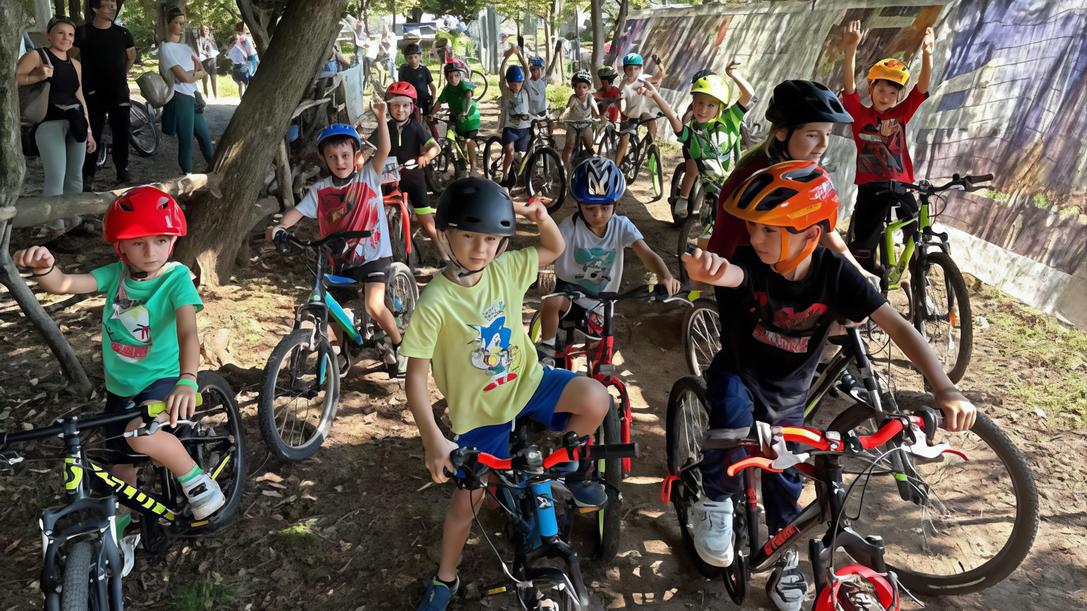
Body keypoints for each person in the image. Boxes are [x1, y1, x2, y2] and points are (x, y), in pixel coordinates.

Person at [682, 161, 977, 611]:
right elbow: (733, 275)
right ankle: (716, 501)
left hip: (788, 394)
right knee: (732, 421)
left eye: (769, 230)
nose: (754, 239)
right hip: (740, 373)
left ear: (810, 235)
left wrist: (943, 386)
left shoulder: (836, 274)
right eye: (753, 228)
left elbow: (897, 324)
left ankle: (785, 561)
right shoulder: (749, 261)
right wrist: (712, 270)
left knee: (786, 477)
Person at [403, 179, 611, 610]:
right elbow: (415, 377)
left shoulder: (506, 268)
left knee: (596, 399)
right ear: (445, 234)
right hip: (480, 413)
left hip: (528, 382)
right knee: (468, 502)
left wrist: (542, 218)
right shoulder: (435, 302)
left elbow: (551, 248)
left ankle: (566, 473)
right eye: (470, 236)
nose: (481, 249)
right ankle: (446, 579)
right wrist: (432, 439)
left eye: (493, 239)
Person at [11, 186, 228, 567]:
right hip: (119, 387)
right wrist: (46, 266)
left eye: (161, 240)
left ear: (173, 241)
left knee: (139, 436)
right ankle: (121, 531)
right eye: (138, 243)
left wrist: (188, 379)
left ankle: (196, 480)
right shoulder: (116, 276)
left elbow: (188, 333)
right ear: (120, 248)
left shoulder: (175, 278)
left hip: (163, 380)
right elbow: (63, 284)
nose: (151, 252)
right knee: (118, 465)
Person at [265, 114, 409, 377]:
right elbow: (296, 213)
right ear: (324, 159)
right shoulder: (320, 190)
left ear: (356, 155)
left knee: (374, 305)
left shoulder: (368, 177)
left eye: (345, 155)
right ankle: (343, 354)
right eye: (332, 157)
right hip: (339, 259)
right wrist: (280, 228)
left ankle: (400, 346)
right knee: (334, 310)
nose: (340, 162)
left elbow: (386, 149)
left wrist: (380, 117)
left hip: (373, 254)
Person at [705, 80, 873, 280]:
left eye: (827, 133)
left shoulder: (797, 167)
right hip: (740, 269)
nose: (823, 144)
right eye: (812, 135)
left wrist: (857, 269)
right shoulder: (765, 176)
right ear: (782, 132)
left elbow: (824, 226)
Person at [535, 157, 680, 361]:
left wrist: (664, 275)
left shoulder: (622, 226)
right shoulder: (569, 228)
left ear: (616, 203)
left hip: (602, 305)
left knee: (598, 359)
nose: (598, 215)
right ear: (579, 205)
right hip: (570, 297)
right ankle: (546, 350)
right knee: (552, 303)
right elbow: (549, 250)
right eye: (590, 208)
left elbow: (646, 253)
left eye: (605, 207)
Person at [840, 19, 935, 274]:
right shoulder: (860, 115)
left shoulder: (902, 113)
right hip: (871, 187)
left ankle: (917, 278)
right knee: (863, 250)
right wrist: (851, 49)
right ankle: (871, 280)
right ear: (871, 89)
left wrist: (927, 55)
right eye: (881, 90)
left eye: (892, 93)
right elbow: (849, 89)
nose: (886, 97)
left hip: (902, 185)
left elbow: (921, 88)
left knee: (917, 232)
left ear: (898, 97)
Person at [16, 15, 95, 244]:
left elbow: (79, 95)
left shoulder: (75, 64)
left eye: (70, 34)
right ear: (50, 34)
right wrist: (36, 76)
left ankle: (72, 221)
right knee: (55, 177)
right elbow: (13, 79)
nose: (66, 38)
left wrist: (89, 130)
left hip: (77, 123)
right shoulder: (37, 56)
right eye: (60, 33)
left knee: (75, 177)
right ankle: (54, 228)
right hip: (49, 123)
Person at [654, 64, 754, 221]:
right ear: (694, 102)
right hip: (696, 149)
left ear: (720, 106)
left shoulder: (728, 119)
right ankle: (684, 198)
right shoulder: (693, 119)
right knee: (692, 170)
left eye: (711, 105)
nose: (703, 109)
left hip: (718, 170)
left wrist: (733, 74)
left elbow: (748, 94)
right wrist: (655, 95)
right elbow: (679, 119)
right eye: (699, 102)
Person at [373, 81, 444, 261]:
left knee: (428, 223)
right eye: (396, 105)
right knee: (377, 218)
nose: (401, 110)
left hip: (413, 177)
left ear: (412, 107)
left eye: (406, 105)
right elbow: (368, 148)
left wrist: (426, 157)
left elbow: (435, 147)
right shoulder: (385, 127)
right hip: (388, 179)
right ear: (388, 107)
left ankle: (446, 258)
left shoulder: (415, 127)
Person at [73, 0, 135, 187]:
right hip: (92, 93)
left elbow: (131, 56)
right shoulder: (82, 33)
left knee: (122, 133)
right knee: (93, 132)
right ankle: (88, 175)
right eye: (107, 5)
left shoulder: (123, 33)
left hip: (118, 92)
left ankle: (122, 171)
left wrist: (121, 74)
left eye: (114, 4)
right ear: (95, 9)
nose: (113, 8)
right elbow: (71, 56)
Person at [159, 8, 214, 174]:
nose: (180, 26)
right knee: (186, 140)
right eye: (176, 22)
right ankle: (187, 177)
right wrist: (193, 74)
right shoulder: (165, 48)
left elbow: (203, 71)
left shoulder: (187, 48)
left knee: (205, 138)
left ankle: (216, 173)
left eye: (182, 23)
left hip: (193, 96)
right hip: (179, 96)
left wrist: (192, 74)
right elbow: (184, 77)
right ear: (168, 24)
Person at [614, 52, 665, 167]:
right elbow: (621, 100)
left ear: (640, 69)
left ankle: (649, 146)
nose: (633, 71)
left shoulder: (644, 78)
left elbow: (658, 77)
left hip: (642, 112)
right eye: (630, 69)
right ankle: (615, 167)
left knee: (652, 120)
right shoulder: (623, 84)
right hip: (628, 115)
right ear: (625, 70)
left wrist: (660, 66)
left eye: (636, 68)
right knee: (624, 142)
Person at [430, 59, 480, 175]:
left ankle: (474, 168)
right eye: (450, 76)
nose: (454, 79)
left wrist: (465, 111)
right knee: (454, 138)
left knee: (468, 141)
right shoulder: (447, 89)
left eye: (457, 75)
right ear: (447, 77)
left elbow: (468, 96)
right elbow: (439, 102)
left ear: (461, 75)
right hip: (456, 117)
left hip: (470, 119)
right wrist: (431, 114)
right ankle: (461, 164)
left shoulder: (464, 84)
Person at [497, 49, 531, 185]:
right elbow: (501, 74)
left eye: (519, 83)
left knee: (522, 155)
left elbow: (527, 70)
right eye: (513, 84)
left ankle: (522, 177)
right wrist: (506, 58)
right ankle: (504, 174)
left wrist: (519, 55)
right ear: (508, 83)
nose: (516, 86)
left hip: (524, 129)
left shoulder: (525, 89)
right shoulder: (506, 91)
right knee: (510, 152)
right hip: (510, 128)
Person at [559, 70, 600, 169]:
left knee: (589, 146)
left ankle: (596, 164)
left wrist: (598, 117)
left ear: (588, 88)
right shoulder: (573, 98)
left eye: (584, 87)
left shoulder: (590, 97)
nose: (581, 90)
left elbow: (595, 108)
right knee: (569, 145)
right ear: (574, 88)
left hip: (585, 124)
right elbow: (568, 109)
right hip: (573, 125)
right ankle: (566, 167)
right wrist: (562, 116)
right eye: (578, 87)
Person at [398, 42, 435, 122]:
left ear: (420, 56)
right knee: (416, 120)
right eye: (410, 57)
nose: (413, 60)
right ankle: (418, 132)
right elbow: (401, 86)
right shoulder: (404, 70)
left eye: (415, 57)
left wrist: (433, 97)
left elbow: (432, 85)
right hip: (413, 99)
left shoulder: (424, 70)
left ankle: (433, 134)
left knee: (429, 119)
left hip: (425, 98)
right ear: (406, 58)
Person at [227, 23, 254, 97]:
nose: (238, 32)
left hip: (243, 65)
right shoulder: (237, 41)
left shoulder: (246, 39)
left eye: (240, 30)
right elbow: (229, 53)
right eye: (237, 30)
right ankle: (242, 99)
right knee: (242, 83)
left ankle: (243, 98)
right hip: (239, 65)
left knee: (243, 83)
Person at [525, 54, 550, 132]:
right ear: (531, 70)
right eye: (534, 70)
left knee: (551, 125)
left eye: (540, 69)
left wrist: (556, 54)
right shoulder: (528, 83)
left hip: (543, 114)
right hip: (531, 115)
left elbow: (550, 72)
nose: (537, 72)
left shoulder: (543, 82)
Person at [196, 24, 218, 99]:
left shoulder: (211, 38)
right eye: (203, 30)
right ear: (200, 31)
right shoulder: (198, 39)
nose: (205, 31)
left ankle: (216, 97)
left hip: (213, 60)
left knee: (214, 79)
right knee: (205, 81)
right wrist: (205, 52)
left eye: (206, 29)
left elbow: (215, 49)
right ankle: (206, 97)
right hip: (204, 61)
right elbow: (199, 50)